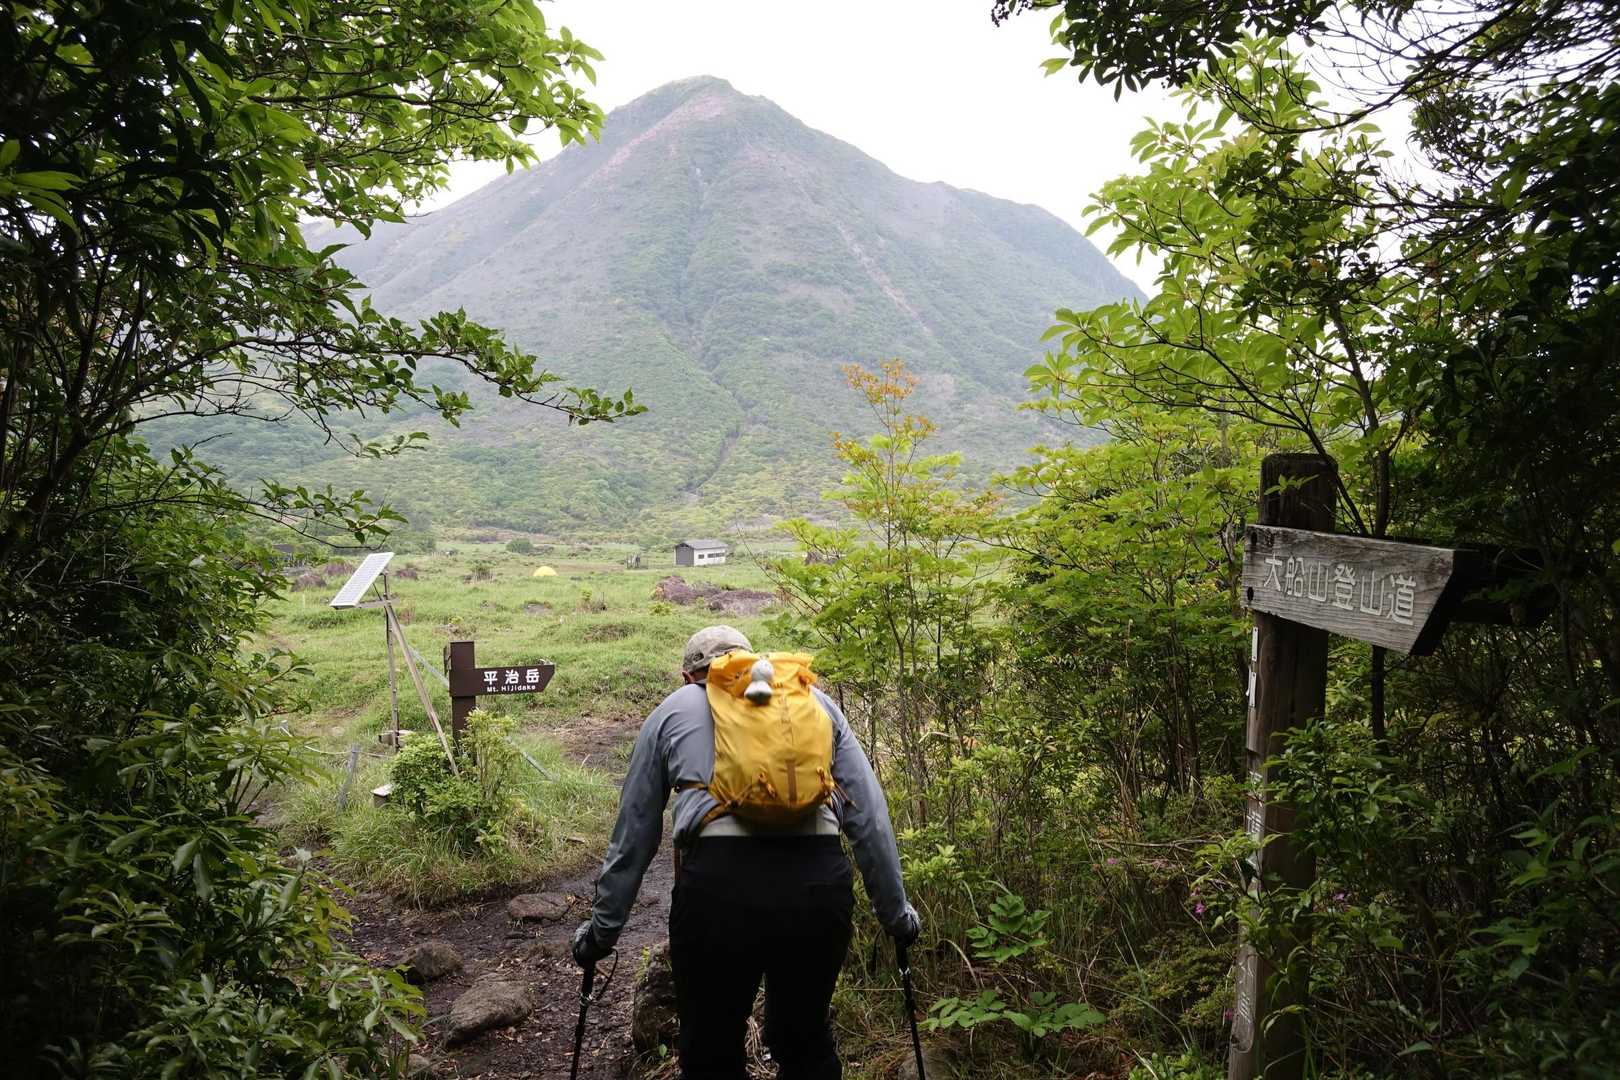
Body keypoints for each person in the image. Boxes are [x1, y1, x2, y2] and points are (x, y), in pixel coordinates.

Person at [572, 624, 919, 1080]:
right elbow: (870, 818)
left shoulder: (671, 711)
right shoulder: (813, 703)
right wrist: (897, 917)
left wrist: (601, 934)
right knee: (806, 1040)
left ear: (688, 676)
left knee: (711, 1048)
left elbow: (634, 834)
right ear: (754, 664)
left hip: (718, 892)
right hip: (817, 885)